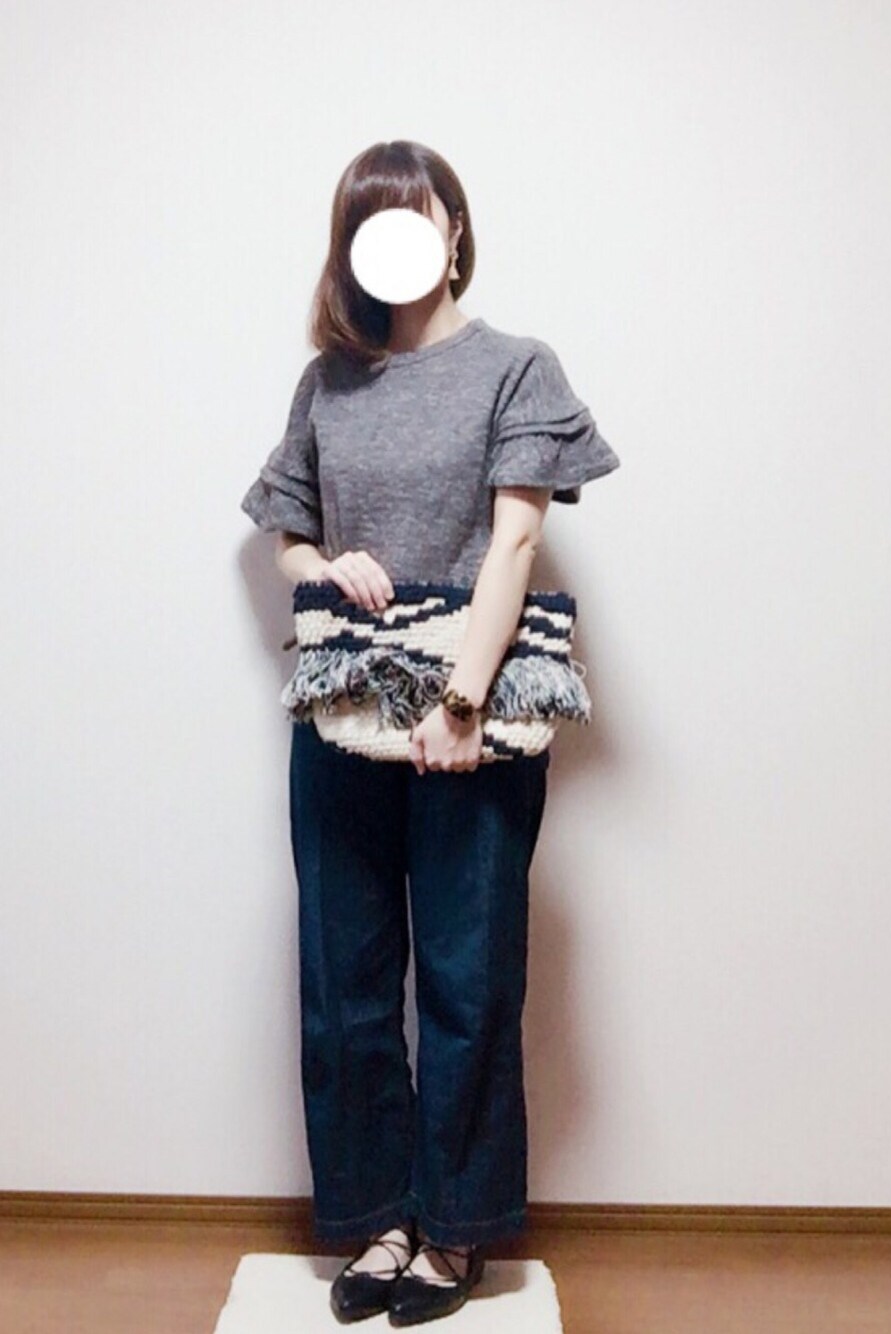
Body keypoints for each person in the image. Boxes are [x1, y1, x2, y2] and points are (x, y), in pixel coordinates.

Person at [239, 140, 621, 1327]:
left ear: (455, 229)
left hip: (474, 709)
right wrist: (325, 561)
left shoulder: (516, 368)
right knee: (343, 977)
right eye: (374, 221)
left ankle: (454, 1228)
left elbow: (516, 541)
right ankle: (378, 1217)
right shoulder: (329, 380)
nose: (401, 238)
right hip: (341, 703)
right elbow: (283, 535)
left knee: (468, 976)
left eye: (419, 214)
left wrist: (459, 703)